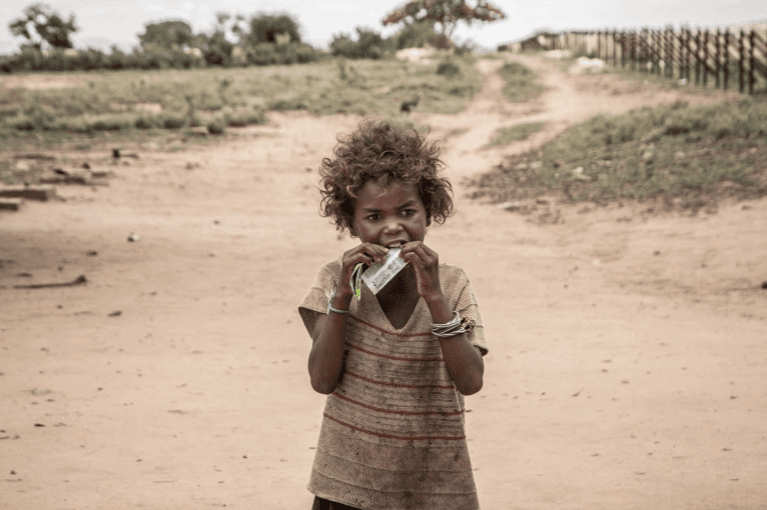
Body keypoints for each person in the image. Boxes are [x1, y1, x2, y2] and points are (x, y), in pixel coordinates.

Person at [298, 119, 488, 510]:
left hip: (433, 479)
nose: (393, 228)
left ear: (428, 213)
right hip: (348, 482)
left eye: (406, 211)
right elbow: (322, 379)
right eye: (373, 217)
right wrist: (341, 297)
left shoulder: (452, 285)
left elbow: (470, 381)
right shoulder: (335, 279)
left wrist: (434, 298)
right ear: (351, 222)